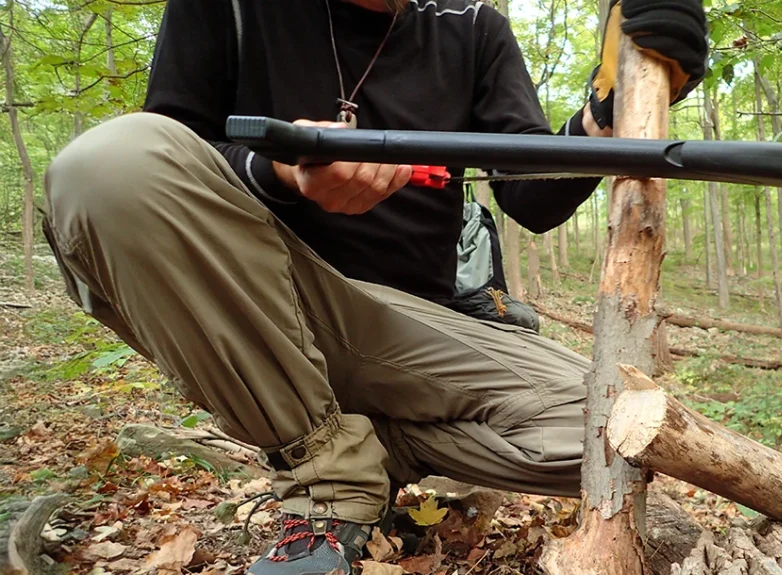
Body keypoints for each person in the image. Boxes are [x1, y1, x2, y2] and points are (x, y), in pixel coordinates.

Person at [40, 0, 707, 572]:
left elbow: (530, 194)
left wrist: (606, 111)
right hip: (261, 306)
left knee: (622, 425)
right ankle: (326, 474)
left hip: (416, 332)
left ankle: (367, 443)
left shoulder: (472, 25)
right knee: (105, 165)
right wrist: (281, 173)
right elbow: (163, 159)